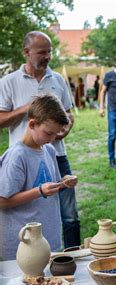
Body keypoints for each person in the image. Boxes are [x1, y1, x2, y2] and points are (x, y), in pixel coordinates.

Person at [0, 31, 81, 248]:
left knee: (68, 214)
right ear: (27, 52)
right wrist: (27, 109)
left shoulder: (58, 80)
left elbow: (67, 115)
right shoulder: (9, 82)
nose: (47, 57)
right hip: (24, 159)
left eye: (50, 52)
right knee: (29, 209)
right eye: (42, 52)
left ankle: (68, 254)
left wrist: (62, 130)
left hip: (52, 154)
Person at [0, 95, 78, 260]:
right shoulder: (17, 156)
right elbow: (2, 200)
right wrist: (39, 191)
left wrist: (63, 183)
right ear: (32, 124)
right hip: (23, 247)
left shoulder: (49, 150)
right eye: (49, 133)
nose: (53, 138)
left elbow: (48, 185)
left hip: (49, 238)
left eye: (56, 134)